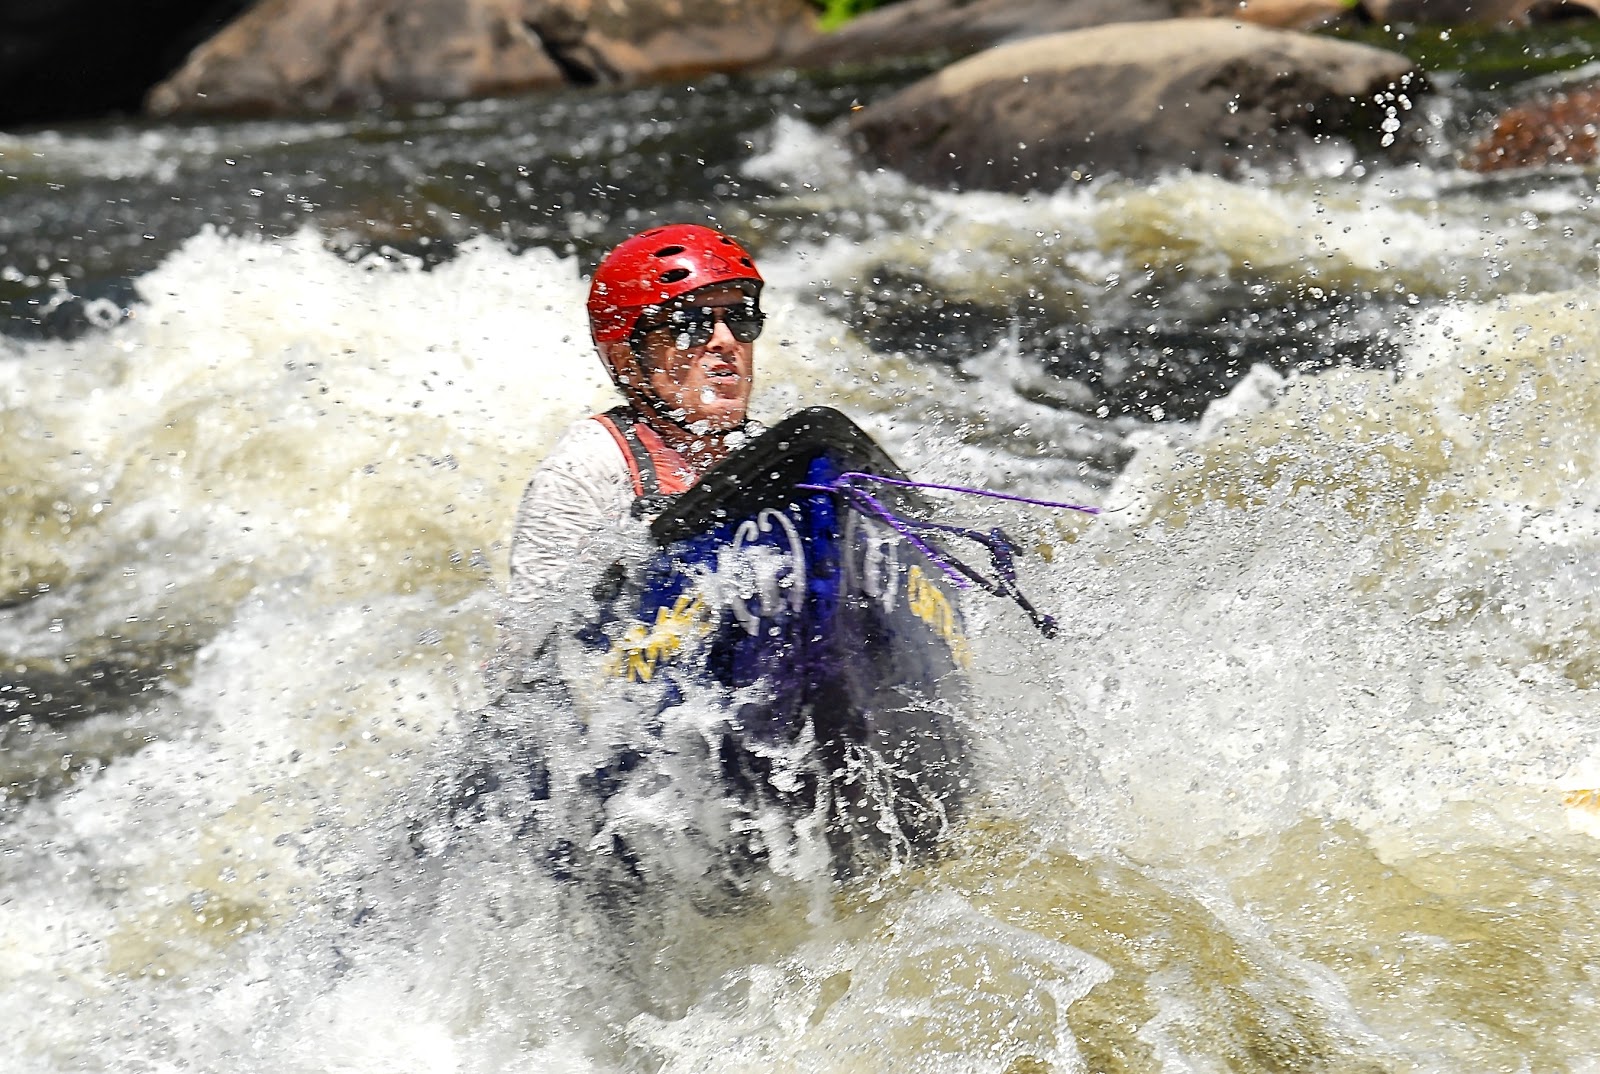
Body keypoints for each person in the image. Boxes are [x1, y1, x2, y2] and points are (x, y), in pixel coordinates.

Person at [506, 222, 769, 611]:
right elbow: (530, 652)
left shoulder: (769, 454)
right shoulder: (585, 469)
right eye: (691, 325)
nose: (727, 341)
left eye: (740, 318)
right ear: (627, 362)